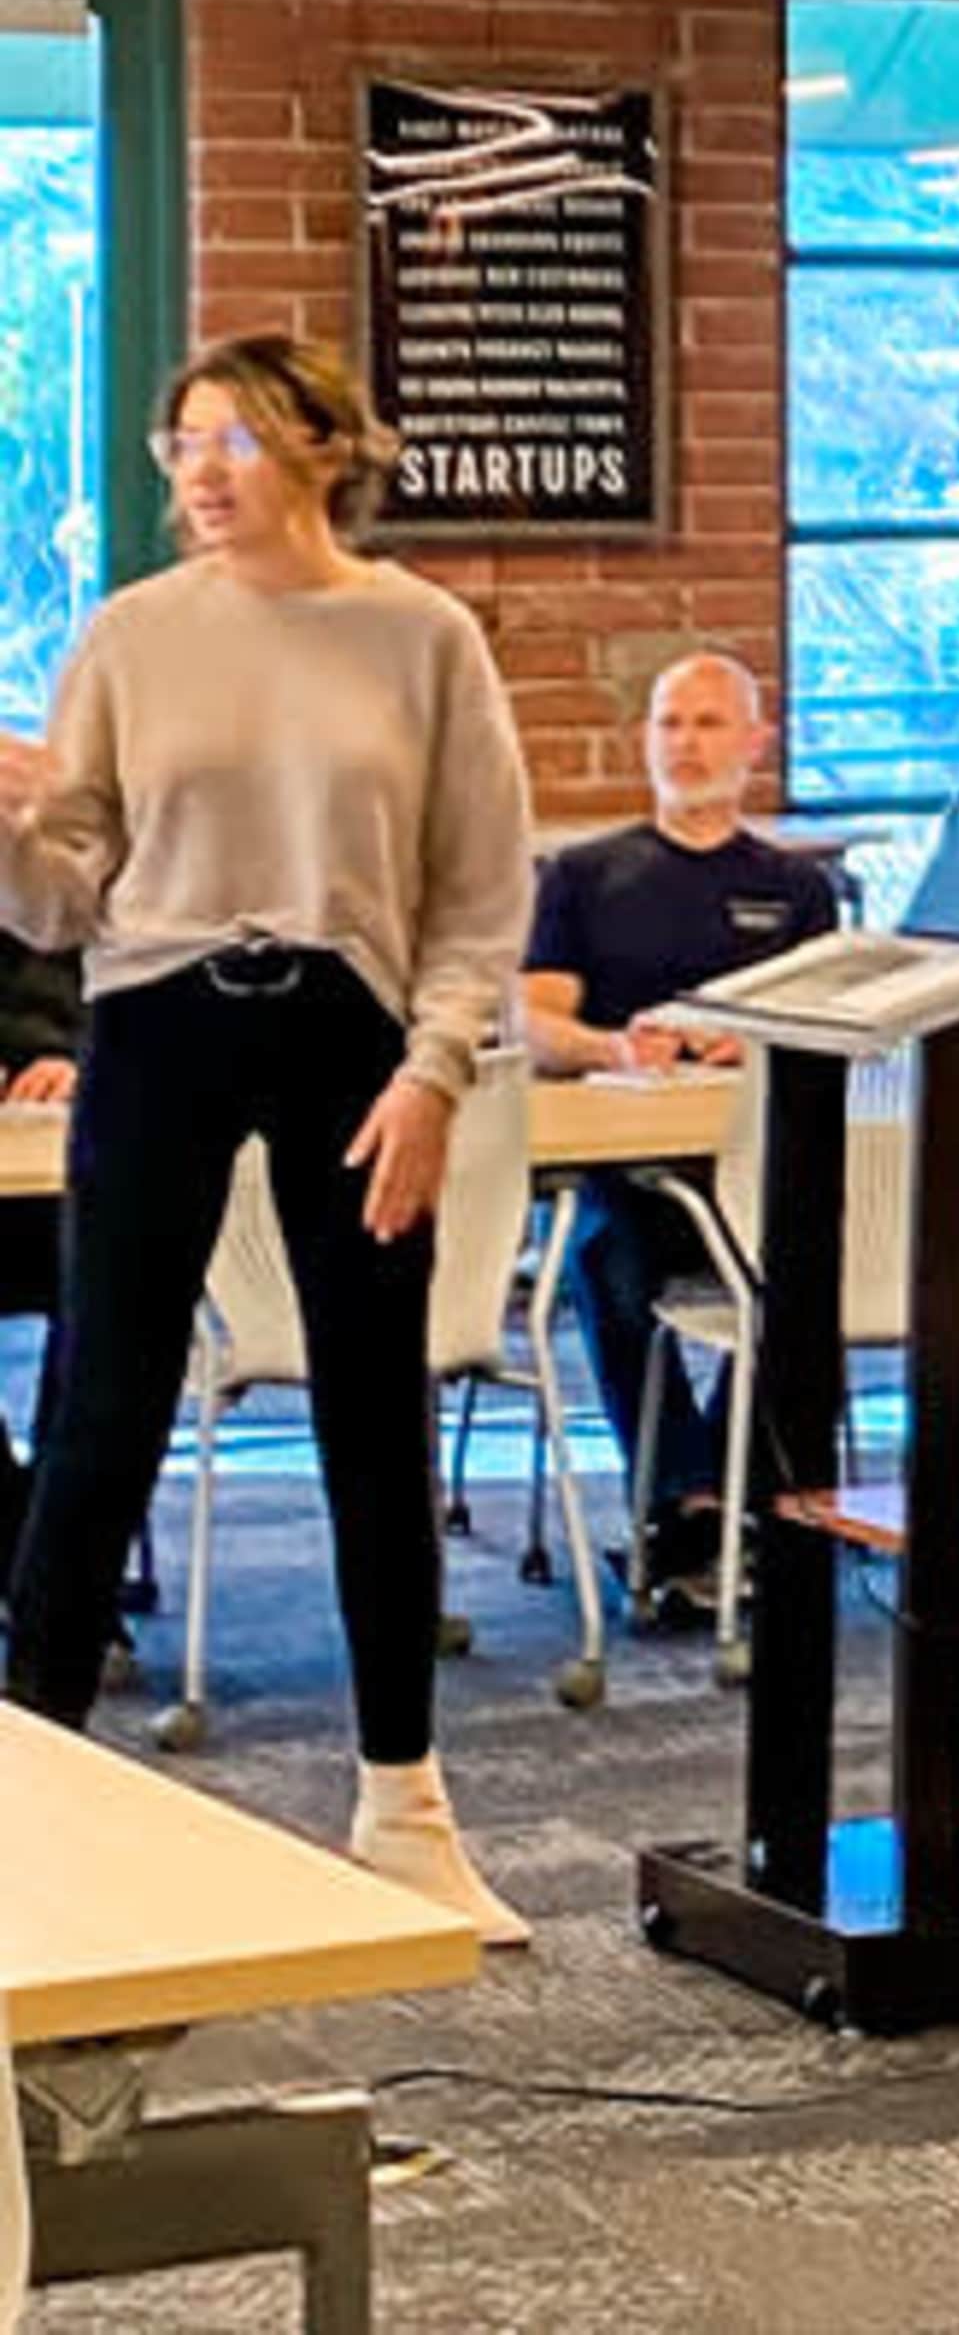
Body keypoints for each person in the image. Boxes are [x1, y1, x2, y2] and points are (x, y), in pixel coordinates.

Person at [0, 331, 535, 1943]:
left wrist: (437, 1073)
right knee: (105, 1412)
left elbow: (479, 888)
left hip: (351, 1030)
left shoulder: (420, 636)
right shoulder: (129, 638)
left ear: (319, 444)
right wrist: (9, 832)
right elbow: (65, 894)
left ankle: (407, 1808)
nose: (199, 471)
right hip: (158, 1014)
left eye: (229, 437)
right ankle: (28, 1793)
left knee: (373, 1412)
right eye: (179, 445)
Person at [520, 654, 837, 1597]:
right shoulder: (583, 875)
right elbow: (532, 1024)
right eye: (669, 724)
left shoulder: (797, 889)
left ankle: (752, 1498)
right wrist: (612, 1048)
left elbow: (835, 1022)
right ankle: (688, 1503)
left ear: (754, 743)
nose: (686, 745)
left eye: (707, 724)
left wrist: (764, 1045)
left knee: (812, 1267)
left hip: (751, 1171)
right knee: (606, 1261)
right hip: (627, 1167)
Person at [0, 932, 73, 1570]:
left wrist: (85, 1059)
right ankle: (28, 1549)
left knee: (111, 1309)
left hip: (76, 1183)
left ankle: (58, 1568)